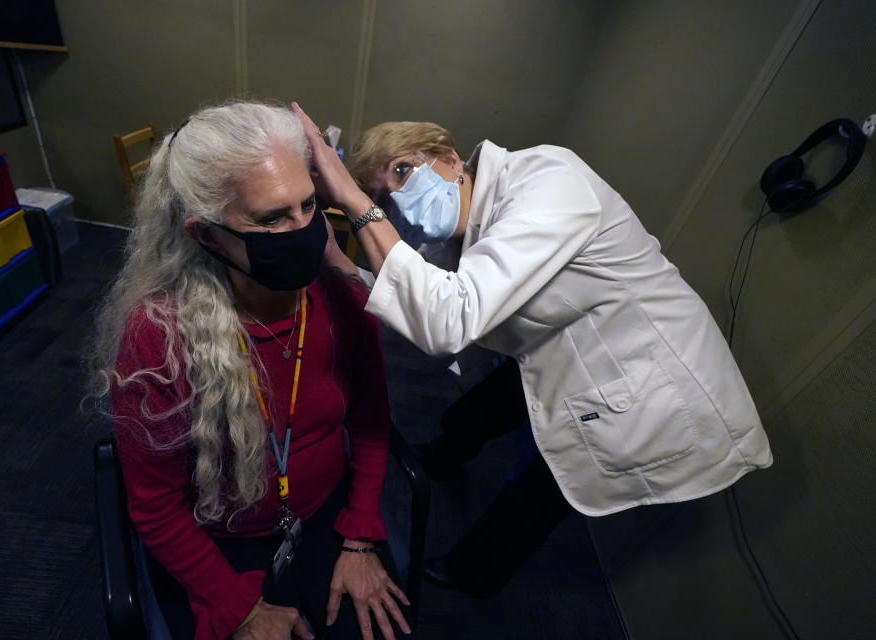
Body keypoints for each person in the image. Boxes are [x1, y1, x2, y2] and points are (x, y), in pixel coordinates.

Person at [290, 102, 774, 598]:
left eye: (403, 171)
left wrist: (352, 199)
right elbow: (420, 295)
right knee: (475, 413)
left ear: (451, 158)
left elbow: (448, 321)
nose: (397, 198)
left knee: (545, 483)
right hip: (556, 344)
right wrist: (341, 263)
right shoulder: (455, 235)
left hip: (638, 373)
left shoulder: (549, 181)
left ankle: (472, 572)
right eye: (381, 195)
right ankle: (443, 456)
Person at [88, 101, 412, 640]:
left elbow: (373, 425)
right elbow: (154, 506)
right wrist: (235, 605)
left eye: (309, 206)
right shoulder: (159, 335)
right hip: (216, 543)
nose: (305, 230)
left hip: (330, 519)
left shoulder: (341, 298)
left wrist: (359, 537)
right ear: (208, 235)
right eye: (272, 217)